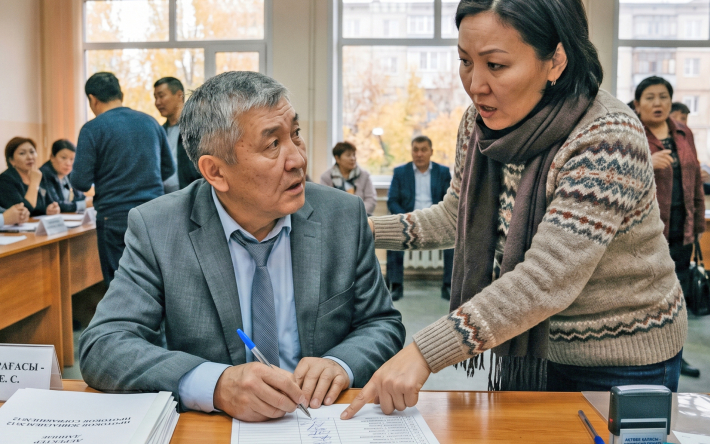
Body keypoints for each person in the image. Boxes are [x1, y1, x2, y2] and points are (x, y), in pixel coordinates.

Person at [342, 0, 687, 420]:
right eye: (465, 62)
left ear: (555, 61)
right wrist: (356, 229)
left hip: (621, 357)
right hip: (535, 349)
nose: (475, 85)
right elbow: (455, 216)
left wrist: (424, 352)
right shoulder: (480, 124)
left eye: (496, 65)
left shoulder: (607, 137)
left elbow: (545, 278)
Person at [79, 71, 405, 422]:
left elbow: (382, 324)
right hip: (217, 428)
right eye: (273, 144)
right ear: (216, 172)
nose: (297, 159)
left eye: (295, 134)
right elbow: (104, 344)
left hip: (322, 422)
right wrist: (216, 384)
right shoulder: (159, 227)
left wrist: (340, 362)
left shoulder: (342, 215)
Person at [72, 72, 175, 286]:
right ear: (121, 94)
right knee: (156, 283)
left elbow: (81, 182)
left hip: (115, 217)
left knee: (120, 287)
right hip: (154, 213)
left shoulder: (92, 129)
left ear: (92, 99)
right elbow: (168, 168)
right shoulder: (151, 122)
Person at [635, 76, 704, 378]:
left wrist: (697, 223)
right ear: (637, 104)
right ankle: (643, 356)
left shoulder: (683, 132)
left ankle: (677, 355)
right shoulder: (631, 131)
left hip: (681, 228)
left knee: (679, 297)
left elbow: (696, 178)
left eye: (663, 96)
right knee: (648, 297)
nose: (658, 103)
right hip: (647, 233)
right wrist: (647, 163)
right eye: (650, 97)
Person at [386, 135, 453, 301]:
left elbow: (450, 201)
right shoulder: (400, 172)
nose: (419, 154)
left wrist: (440, 218)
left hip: (437, 220)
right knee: (392, 238)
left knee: (454, 240)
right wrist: (406, 219)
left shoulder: (443, 172)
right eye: (415, 150)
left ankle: (448, 285)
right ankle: (396, 286)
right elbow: (392, 201)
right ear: (411, 152)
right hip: (408, 220)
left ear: (431, 151)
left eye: (423, 150)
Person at [153, 77, 201, 191]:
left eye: (161, 96)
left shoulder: (196, 127)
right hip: (164, 196)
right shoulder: (160, 131)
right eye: (155, 98)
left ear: (179, 95)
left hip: (192, 194)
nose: (157, 102)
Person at [0, 137, 60, 216]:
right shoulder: (5, 180)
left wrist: (51, 208)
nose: (30, 157)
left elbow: (49, 203)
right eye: (22, 153)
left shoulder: (38, 174)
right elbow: (22, 211)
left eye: (32, 152)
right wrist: (34, 183)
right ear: (11, 160)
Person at [320, 142, 377, 215]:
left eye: (354, 155)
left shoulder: (364, 175)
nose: (353, 158)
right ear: (337, 158)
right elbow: (325, 202)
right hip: (335, 217)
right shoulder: (326, 177)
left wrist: (357, 214)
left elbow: (371, 200)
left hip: (361, 216)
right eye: (348, 155)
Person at [40, 139, 86, 213]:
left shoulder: (69, 173)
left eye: (72, 159)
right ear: (52, 157)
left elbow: (81, 197)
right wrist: (83, 204)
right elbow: (56, 204)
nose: (68, 163)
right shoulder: (44, 174)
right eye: (64, 158)